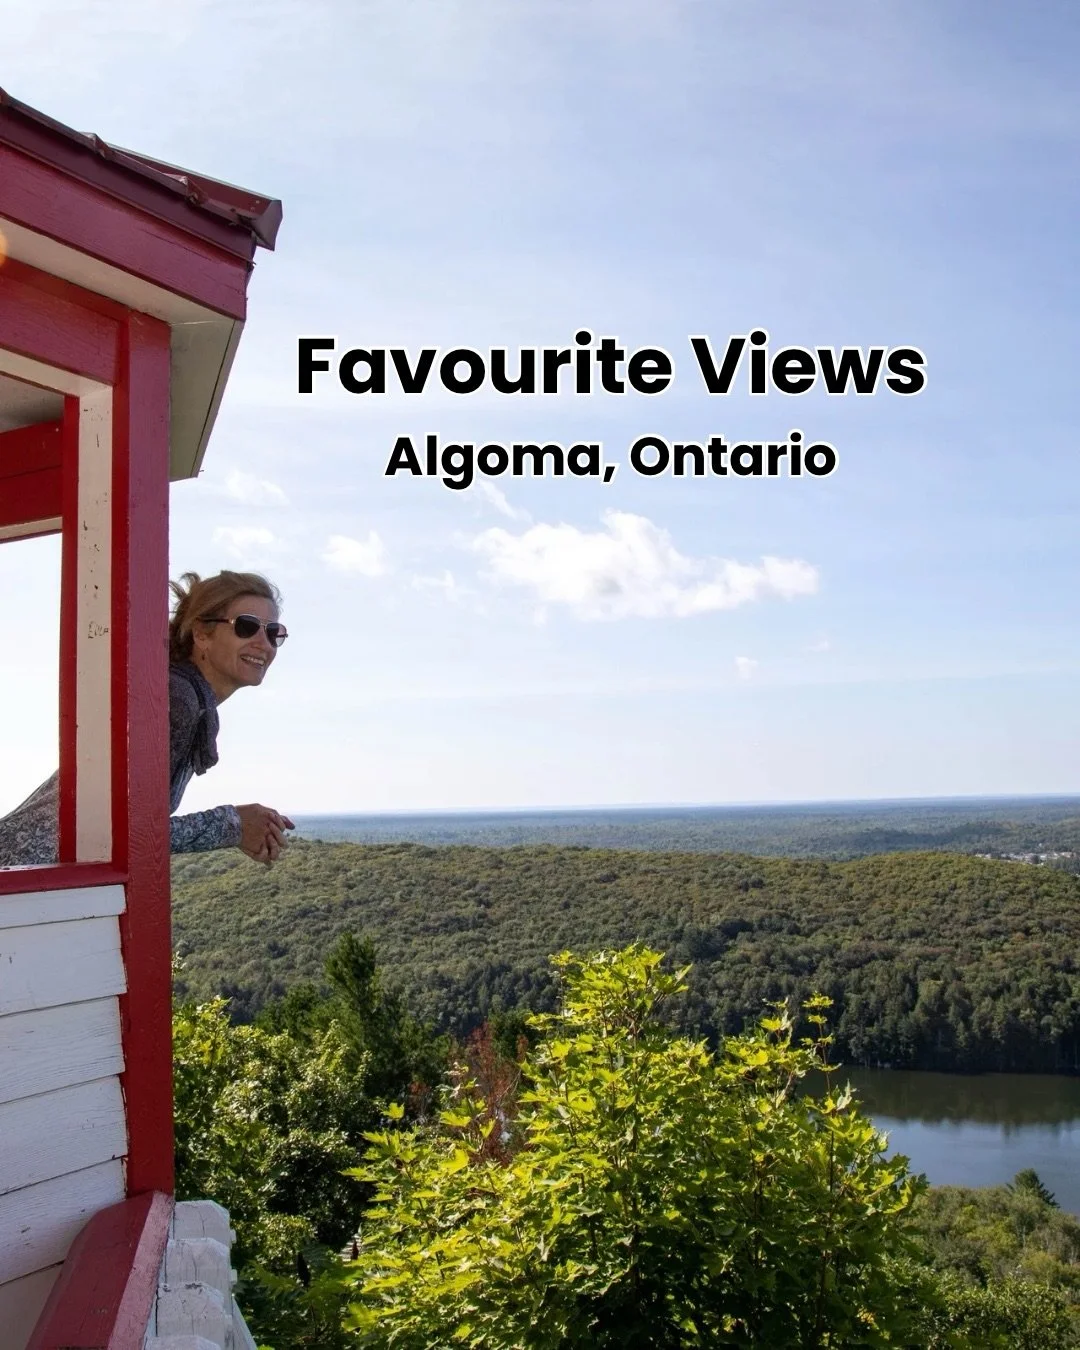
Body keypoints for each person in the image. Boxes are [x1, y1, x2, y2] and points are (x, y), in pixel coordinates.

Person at [0, 570, 294, 867]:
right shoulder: (177, 699)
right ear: (201, 634)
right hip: (24, 880)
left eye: (273, 633)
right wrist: (233, 825)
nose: (264, 644)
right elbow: (118, 832)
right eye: (246, 626)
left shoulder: (181, 693)